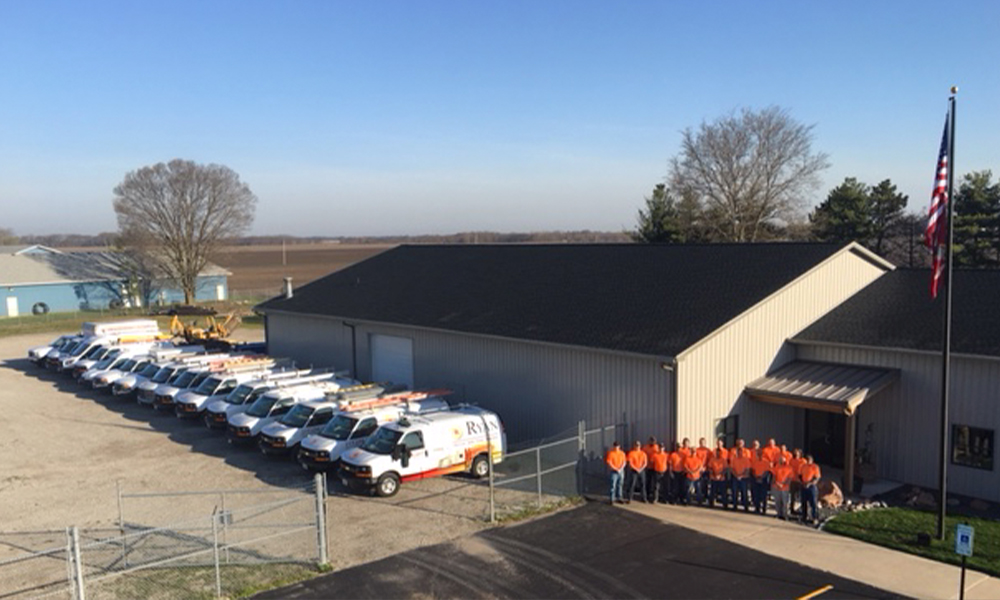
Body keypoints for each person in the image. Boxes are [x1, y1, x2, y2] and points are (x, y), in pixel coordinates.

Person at [770, 454, 795, 520]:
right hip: (777, 486)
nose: (781, 461)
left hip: (785, 488)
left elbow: (789, 478)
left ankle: (785, 515)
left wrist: (783, 485)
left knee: (785, 502)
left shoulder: (789, 468)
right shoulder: (777, 466)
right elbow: (774, 476)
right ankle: (779, 514)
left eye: (783, 460)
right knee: (777, 501)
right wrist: (775, 483)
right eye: (780, 460)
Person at [799, 454, 822, 524]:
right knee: (803, 502)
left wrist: (809, 483)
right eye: (807, 460)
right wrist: (802, 482)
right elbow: (800, 475)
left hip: (811, 487)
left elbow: (816, 477)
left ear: (812, 460)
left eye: (809, 460)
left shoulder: (815, 467)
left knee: (813, 503)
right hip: (804, 485)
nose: (808, 461)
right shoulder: (803, 466)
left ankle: (815, 517)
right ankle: (804, 516)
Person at [729, 445, 752, 511]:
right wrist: (736, 475)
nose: (739, 453)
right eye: (738, 452)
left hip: (744, 478)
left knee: (744, 493)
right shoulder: (734, 459)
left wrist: (741, 475)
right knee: (734, 492)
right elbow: (731, 468)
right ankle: (735, 506)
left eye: (741, 452)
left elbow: (747, 469)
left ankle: (745, 507)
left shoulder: (746, 459)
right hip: (735, 477)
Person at [750, 448, 772, 515]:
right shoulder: (754, 461)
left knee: (764, 495)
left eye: (760, 453)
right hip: (756, 479)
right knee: (756, 494)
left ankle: (764, 509)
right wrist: (756, 477)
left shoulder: (766, 462)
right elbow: (752, 470)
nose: (759, 455)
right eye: (758, 454)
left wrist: (761, 477)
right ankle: (757, 508)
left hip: (763, 480)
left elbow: (767, 471)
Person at [642, 437, 661, 502]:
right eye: (651, 441)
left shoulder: (657, 447)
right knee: (648, 482)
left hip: (655, 468)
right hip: (647, 467)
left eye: (653, 441)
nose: (652, 442)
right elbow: (642, 455)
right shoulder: (645, 447)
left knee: (655, 483)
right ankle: (647, 495)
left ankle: (654, 497)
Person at [788, 448, 806, 516]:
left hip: (801, 481)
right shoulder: (791, 460)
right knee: (793, 496)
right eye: (795, 452)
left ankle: (802, 510)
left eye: (797, 452)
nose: (796, 454)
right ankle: (792, 509)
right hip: (793, 480)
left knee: (802, 496)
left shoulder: (803, 461)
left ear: (800, 453)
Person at [695, 438, 712, 505]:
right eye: (701, 442)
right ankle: (699, 497)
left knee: (705, 484)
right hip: (698, 469)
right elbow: (695, 459)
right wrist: (699, 468)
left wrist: (706, 467)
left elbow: (710, 460)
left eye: (703, 442)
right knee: (698, 484)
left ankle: (705, 497)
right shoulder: (697, 450)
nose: (702, 444)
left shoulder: (708, 451)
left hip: (706, 469)